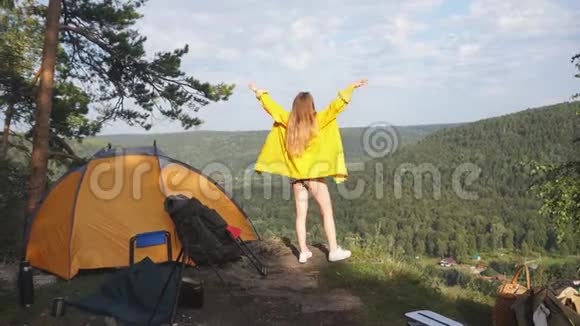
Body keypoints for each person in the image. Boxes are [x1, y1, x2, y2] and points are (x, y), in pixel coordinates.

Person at [248, 79, 368, 263]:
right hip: (314, 178)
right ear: (311, 106)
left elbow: (271, 108)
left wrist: (259, 93)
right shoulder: (318, 120)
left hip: (297, 179)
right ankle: (334, 250)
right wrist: (352, 87)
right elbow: (336, 106)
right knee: (326, 212)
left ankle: (303, 252)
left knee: (301, 214)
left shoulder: (288, 120)